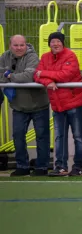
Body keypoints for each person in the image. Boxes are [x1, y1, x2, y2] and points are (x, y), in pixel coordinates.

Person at [34, 32, 82, 177]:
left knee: (78, 136)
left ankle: (78, 166)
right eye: (52, 42)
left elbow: (65, 75)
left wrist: (44, 73)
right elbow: (35, 76)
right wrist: (47, 81)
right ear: (49, 43)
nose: (55, 44)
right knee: (59, 137)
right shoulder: (45, 57)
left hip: (75, 103)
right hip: (57, 105)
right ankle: (60, 167)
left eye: (58, 41)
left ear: (63, 43)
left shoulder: (70, 55)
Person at [0, 35, 50, 176]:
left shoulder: (33, 57)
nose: (19, 48)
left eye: (22, 45)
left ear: (26, 45)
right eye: (16, 45)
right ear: (10, 45)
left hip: (39, 104)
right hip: (18, 106)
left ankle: (42, 167)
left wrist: (9, 76)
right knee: (18, 135)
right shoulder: (4, 56)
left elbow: (29, 76)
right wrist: (10, 76)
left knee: (42, 136)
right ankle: (22, 166)